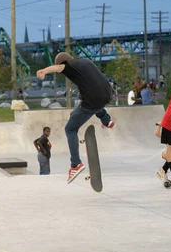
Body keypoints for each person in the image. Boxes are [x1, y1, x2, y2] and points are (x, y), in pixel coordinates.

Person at [36, 53, 114, 183]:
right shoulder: (85, 62)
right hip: (107, 94)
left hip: (93, 100)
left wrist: (44, 71)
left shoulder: (69, 66)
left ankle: (75, 164)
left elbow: (58, 68)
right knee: (89, 102)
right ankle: (107, 120)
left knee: (70, 128)